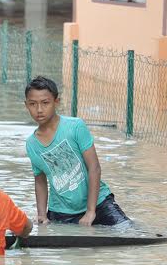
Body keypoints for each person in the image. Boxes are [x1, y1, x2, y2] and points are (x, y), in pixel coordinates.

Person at [23, 75, 130, 227]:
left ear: (56, 102)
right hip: (61, 212)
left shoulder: (75, 126)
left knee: (128, 231)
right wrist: (41, 215)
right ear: (26, 105)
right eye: (33, 104)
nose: (39, 110)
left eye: (45, 103)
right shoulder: (31, 144)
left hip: (99, 204)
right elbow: (40, 180)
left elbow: (94, 168)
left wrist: (90, 211)